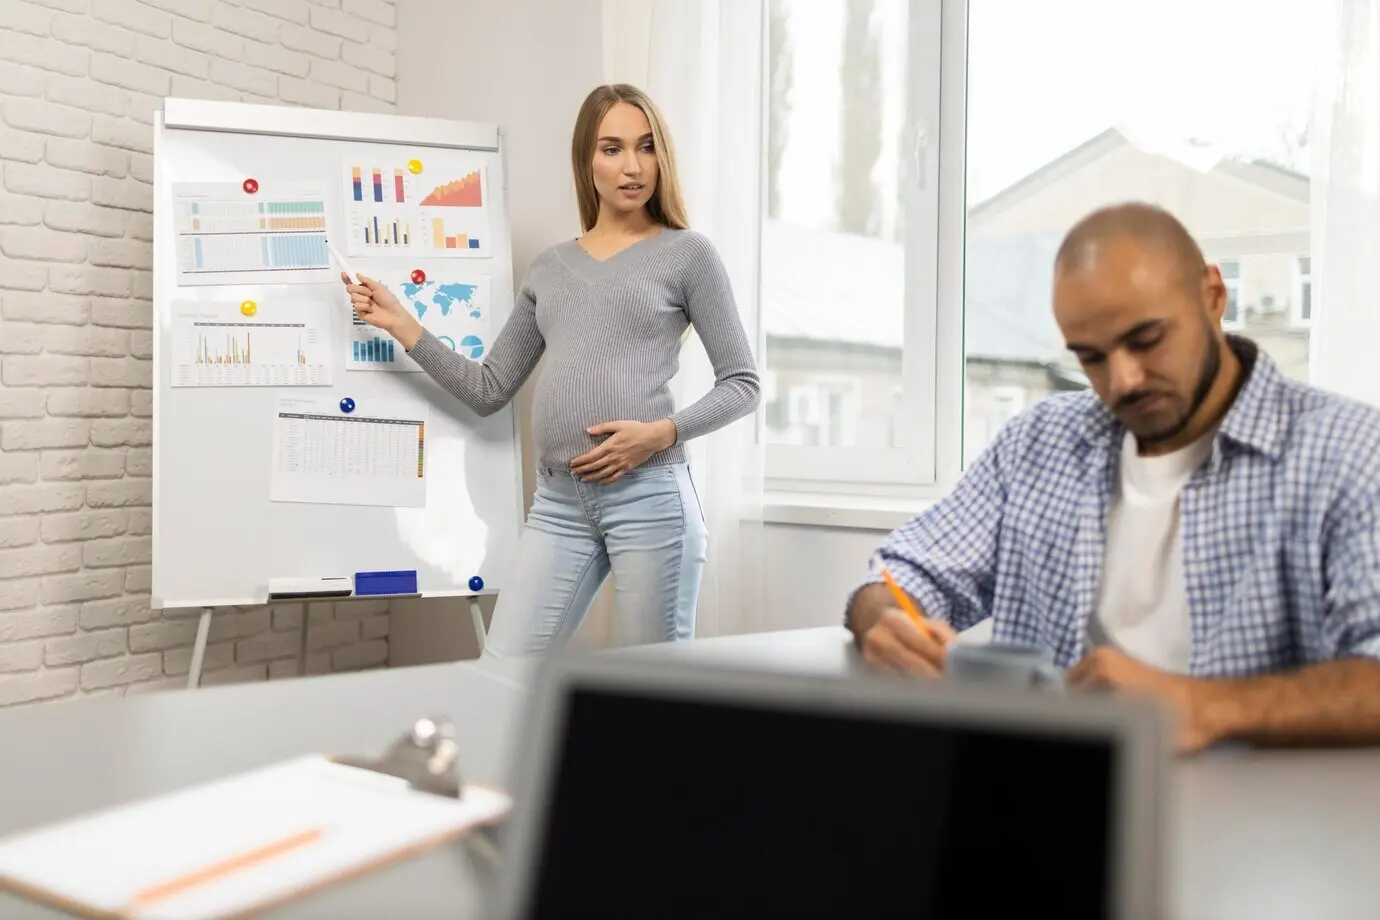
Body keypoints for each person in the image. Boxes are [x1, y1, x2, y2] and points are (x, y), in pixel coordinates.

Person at [846, 201, 1380, 753]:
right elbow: (902, 571)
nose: (1122, 380)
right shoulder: (1038, 443)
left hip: (1265, 821)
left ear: (1214, 296)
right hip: (1050, 795)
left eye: (1146, 340)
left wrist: (1208, 707)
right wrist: (885, 622)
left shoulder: (1349, 452)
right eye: (1091, 357)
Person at [343, 84, 760, 656]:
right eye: (611, 149)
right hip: (560, 504)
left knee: (649, 693)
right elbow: (488, 388)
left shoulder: (689, 254)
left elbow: (743, 384)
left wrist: (659, 435)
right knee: (502, 670)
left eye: (645, 148)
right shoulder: (550, 268)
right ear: (586, 160)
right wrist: (401, 323)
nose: (632, 166)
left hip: (650, 496)